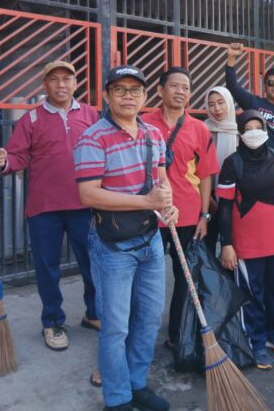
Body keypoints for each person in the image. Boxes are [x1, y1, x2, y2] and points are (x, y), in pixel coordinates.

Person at [75, 65, 176, 411]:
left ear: (145, 96)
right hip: (112, 245)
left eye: (135, 89)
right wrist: (145, 202)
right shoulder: (93, 137)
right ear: (106, 96)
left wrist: (168, 204)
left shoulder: (153, 136)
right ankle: (116, 400)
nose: (128, 95)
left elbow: (162, 181)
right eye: (120, 89)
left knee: (149, 318)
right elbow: (88, 195)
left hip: (150, 240)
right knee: (116, 326)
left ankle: (137, 384)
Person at [0, 60, 99, 352]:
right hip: (44, 207)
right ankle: (52, 321)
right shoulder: (31, 119)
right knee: (47, 268)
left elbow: (105, 152)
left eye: (67, 79)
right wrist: (4, 162)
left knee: (94, 264)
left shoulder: (90, 114)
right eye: (54, 79)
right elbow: (17, 158)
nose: (61, 84)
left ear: (76, 84)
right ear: (45, 85)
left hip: (85, 204)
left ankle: (94, 313)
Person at [216, 110, 274, 370]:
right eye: (248, 128)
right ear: (240, 134)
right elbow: (224, 207)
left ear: (265, 130)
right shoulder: (233, 163)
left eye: (258, 126)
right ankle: (256, 341)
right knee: (252, 294)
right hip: (246, 242)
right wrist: (227, 244)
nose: (253, 132)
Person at [142, 68, 219, 354]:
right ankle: (140, 340)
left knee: (185, 278)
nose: (180, 91)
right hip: (147, 214)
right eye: (173, 86)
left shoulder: (199, 128)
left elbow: (206, 174)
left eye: (185, 87)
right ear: (160, 91)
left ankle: (178, 334)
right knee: (142, 280)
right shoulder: (142, 123)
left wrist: (204, 215)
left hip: (186, 215)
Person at [224, 43, 274, 165]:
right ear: (265, 87)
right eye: (270, 83)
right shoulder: (254, 103)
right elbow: (233, 86)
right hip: (256, 165)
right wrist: (231, 58)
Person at [204, 85, 239, 252]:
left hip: (235, 197)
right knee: (207, 247)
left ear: (229, 103)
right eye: (211, 104)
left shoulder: (240, 131)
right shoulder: (202, 130)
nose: (216, 108)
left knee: (233, 246)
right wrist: (208, 200)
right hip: (207, 197)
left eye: (221, 102)